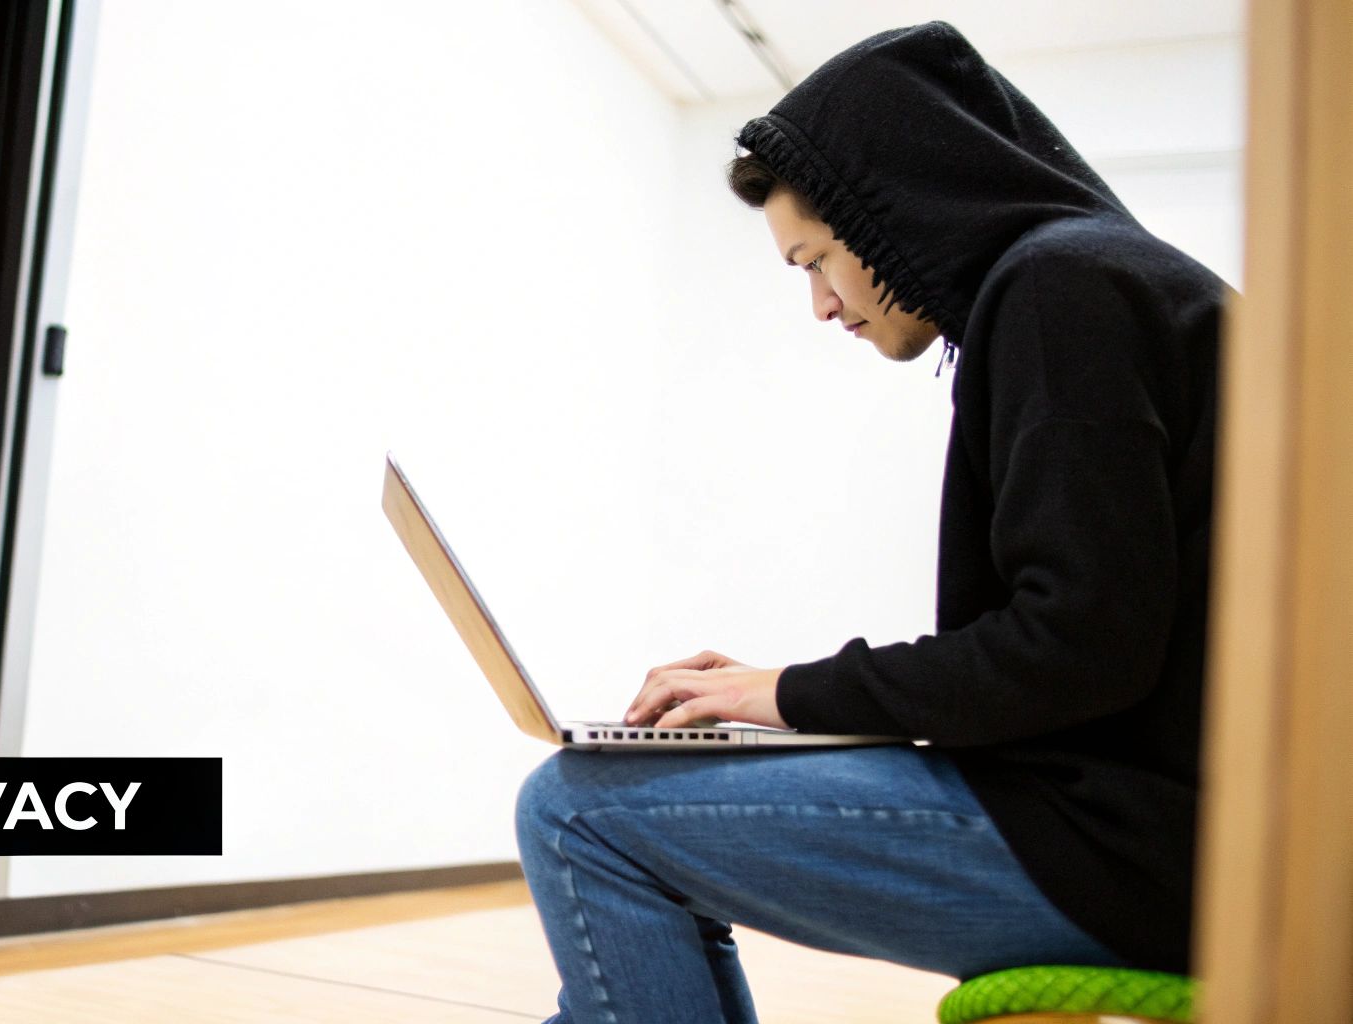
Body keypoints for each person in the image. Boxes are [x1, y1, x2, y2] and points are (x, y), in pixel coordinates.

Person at [514, 21, 1222, 1024]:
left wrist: (784, 692)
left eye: (815, 259)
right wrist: (785, 699)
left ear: (893, 210)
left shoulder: (1059, 294)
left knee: (576, 807)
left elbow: (1072, 653)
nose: (818, 305)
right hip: (1164, 831)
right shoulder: (1094, 282)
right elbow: (1086, 642)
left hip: (1139, 855)